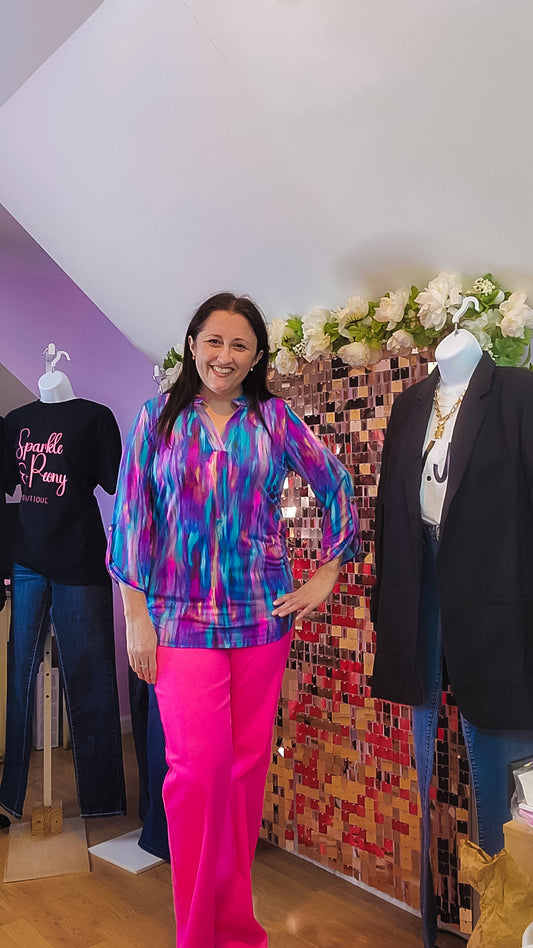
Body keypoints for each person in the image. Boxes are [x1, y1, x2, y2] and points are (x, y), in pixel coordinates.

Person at [107, 292, 359, 948]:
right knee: (195, 774)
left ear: (255, 357)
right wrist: (136, 619)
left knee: (246, 774)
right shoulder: (156, 419)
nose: (224, 355)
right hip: (180, 622)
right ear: (193, 344)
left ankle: (237, 930)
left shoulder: (272, 418)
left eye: (239, 345)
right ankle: (197, 935)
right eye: (213, 341)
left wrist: (325, 572)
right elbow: (131, 520)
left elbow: (334, 484)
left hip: (260, 622)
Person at [370, 326, 533, 948]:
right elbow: (390, 510)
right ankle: (434, 921)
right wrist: (388, 607)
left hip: (500, 603)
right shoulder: (411, 404)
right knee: (423, 757)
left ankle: (506, 926)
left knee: (504, 768)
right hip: (418, 594)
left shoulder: (518, 394)